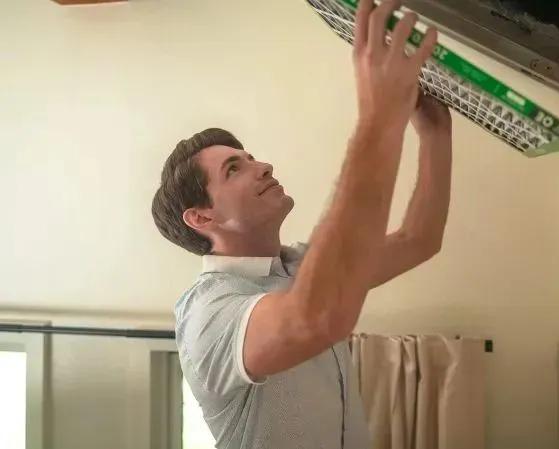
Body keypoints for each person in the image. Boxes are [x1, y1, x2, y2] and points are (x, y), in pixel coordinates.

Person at [150, 1, 452, 447]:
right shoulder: (207, 315)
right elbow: (316, 316)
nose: (263, 166)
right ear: (201, 217)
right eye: (234, 169)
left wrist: (434, 134)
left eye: (251, 158)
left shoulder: (301, 267)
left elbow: (418, 239)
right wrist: (378, 116)